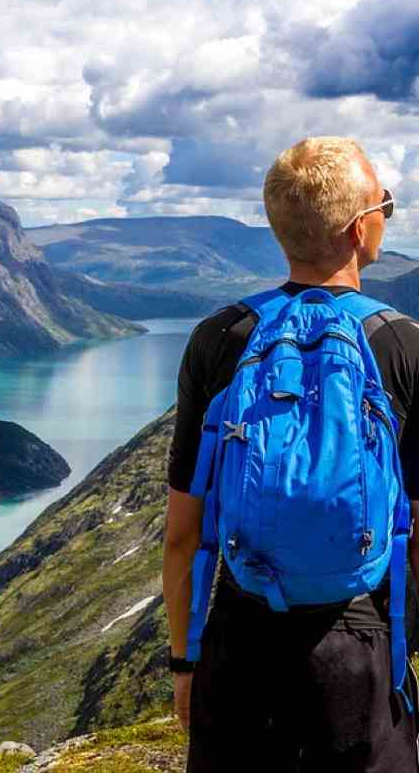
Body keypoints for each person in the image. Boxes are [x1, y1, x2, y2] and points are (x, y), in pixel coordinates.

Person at [162, 136, 419, 771]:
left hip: (241, 639)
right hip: (363, 645)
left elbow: (183, 535)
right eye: (386, 203)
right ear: (361, 229)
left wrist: (185, 664)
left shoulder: (221, 338)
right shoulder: (402, 345)